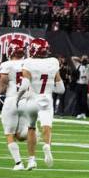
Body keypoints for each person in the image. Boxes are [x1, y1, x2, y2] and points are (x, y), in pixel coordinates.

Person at [20, 37, 64, 167]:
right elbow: (61, 89)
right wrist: (50, 87)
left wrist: (18, 98)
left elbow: (24, 85)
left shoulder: (28, 63)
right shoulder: (53, 62)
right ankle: (46, 145)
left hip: (33, 98)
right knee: (47, 126)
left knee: (31, 127)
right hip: (46, 98)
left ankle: (32, 159)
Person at [0, 38, 30, 170]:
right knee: (21, 135)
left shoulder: (7, 64)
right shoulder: (29, 63)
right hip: (26, 100)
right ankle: (32, 134)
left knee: (9, 133)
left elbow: (3, 84)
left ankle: (18, 163)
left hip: (12, 99)